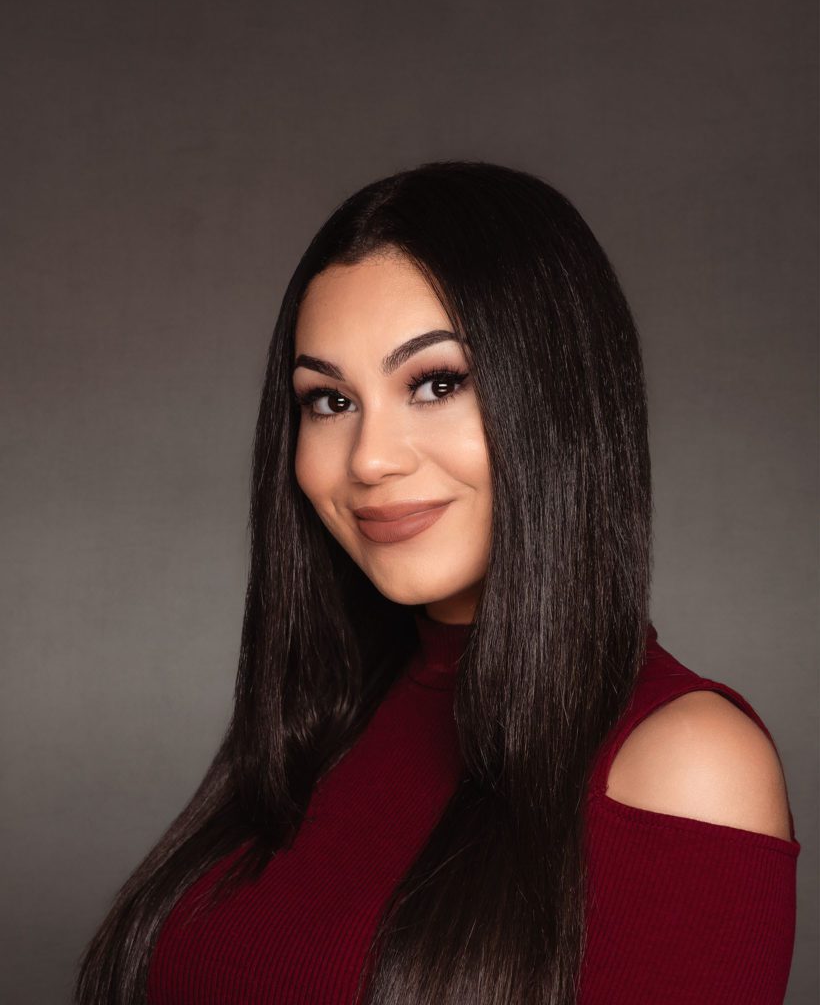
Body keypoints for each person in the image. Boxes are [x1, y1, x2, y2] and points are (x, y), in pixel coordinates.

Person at [73, 161, 800, 1005]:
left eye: (438, 383)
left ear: (559, 403)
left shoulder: (685, 766)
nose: (371, 459)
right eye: (329, 401)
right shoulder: (326, 717)